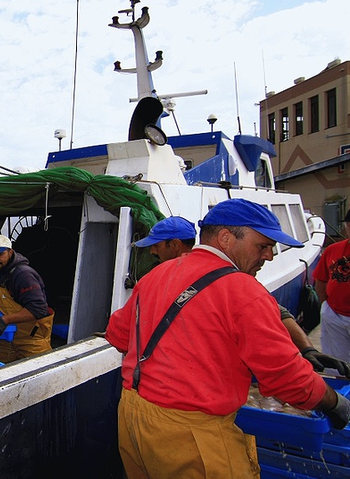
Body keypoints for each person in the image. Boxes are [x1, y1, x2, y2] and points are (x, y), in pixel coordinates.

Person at [106, 199, 350, 478]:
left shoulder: (155, 275)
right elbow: (289, 381)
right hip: (192, 435)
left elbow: (118, 334)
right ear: (225, 238)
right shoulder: (242, 290)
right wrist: (334, 402)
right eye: (263, 246)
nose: (270, 255)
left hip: (132, 419)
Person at [136, 216, 350, 376]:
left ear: (174, 245)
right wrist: (307, 348)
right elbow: (278, 313)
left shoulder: (157, 278)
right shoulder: (229, 274)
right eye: (263, 247)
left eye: (155, 246)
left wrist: (329, 398)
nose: (153, 252)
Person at [0, 234, 53, 363]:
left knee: (41, 371)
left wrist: (4, 320)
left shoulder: (24, 275)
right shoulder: (0, 271)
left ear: (10, 252)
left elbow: (38, 309)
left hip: (30, 337)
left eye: (0, 254)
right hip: (7, 334)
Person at [314, 209, 350, 363]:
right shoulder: (332, 250)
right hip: (334, 315)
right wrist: (325, 306)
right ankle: (339, 386)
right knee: (336, 362)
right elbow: (321, 280)